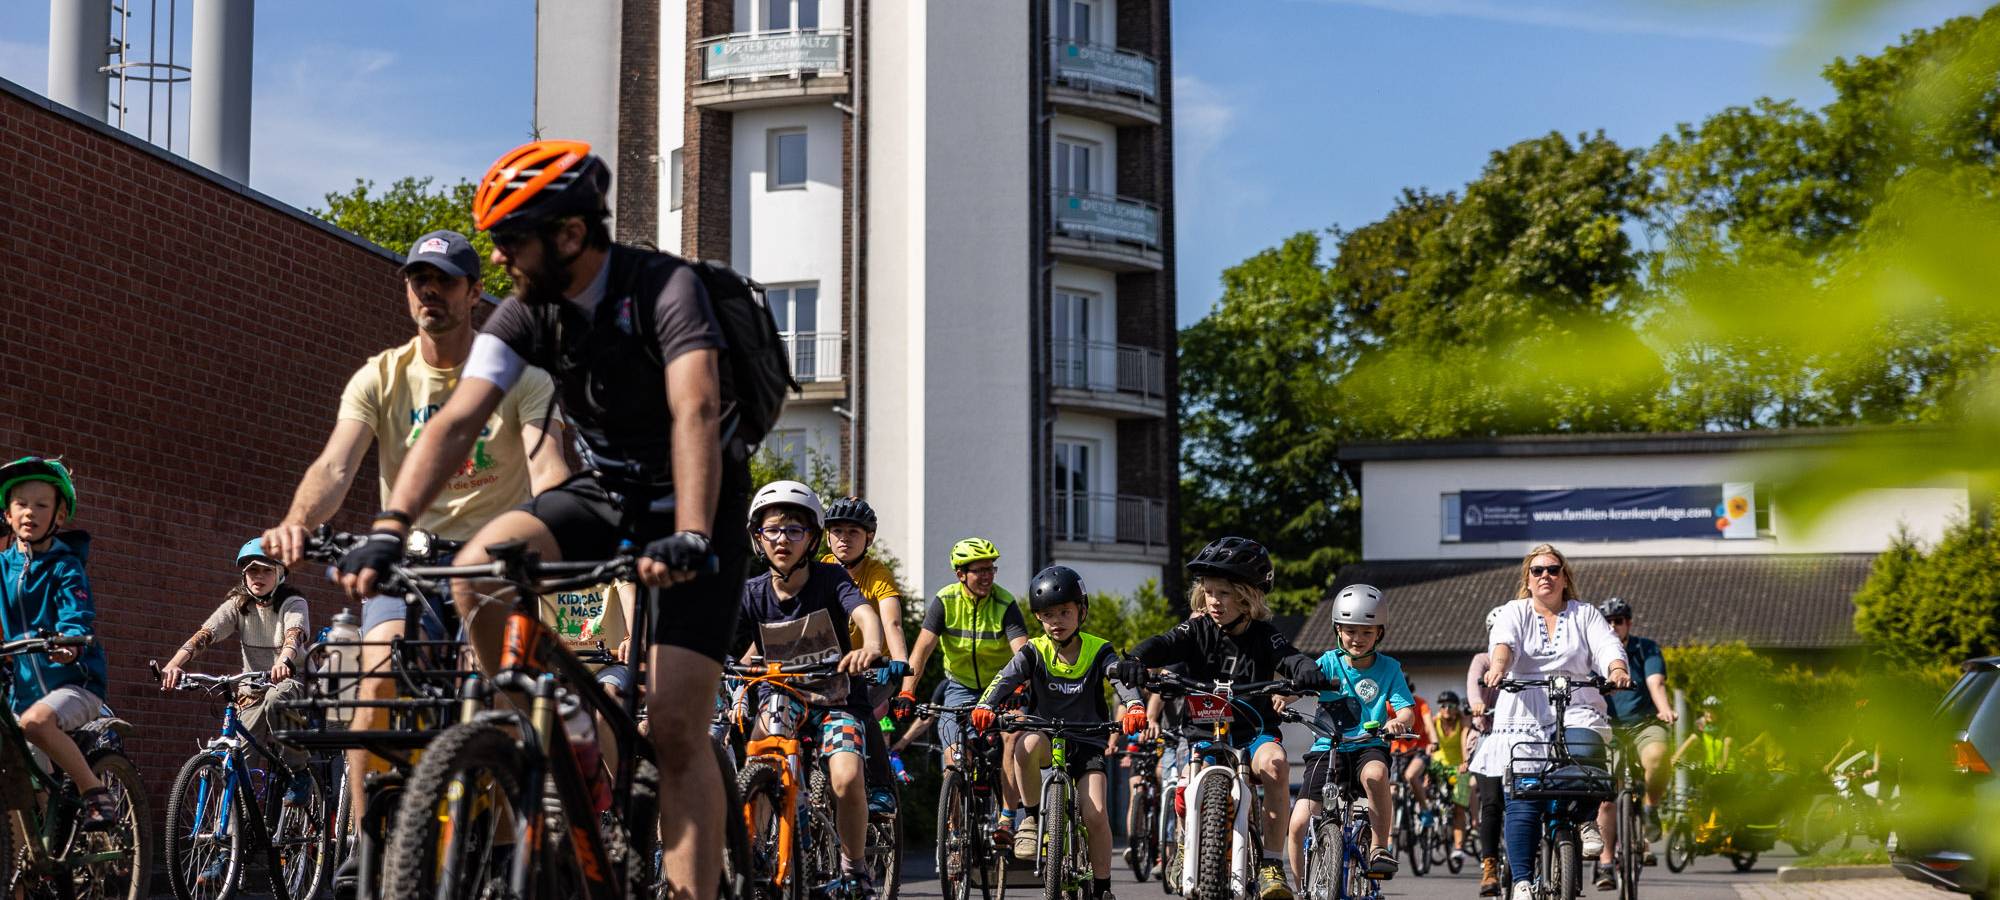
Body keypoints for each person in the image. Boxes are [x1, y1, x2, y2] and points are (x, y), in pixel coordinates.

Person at [337, 139, 752, 900]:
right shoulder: (528, 314)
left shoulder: (664, 289)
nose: (499, 262)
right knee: (477, 569)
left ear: (568, 235)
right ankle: (536, 728)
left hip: (701, 499)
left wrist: (690, 531)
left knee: (675, 731)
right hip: (610, 491)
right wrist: (392, 524)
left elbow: (693, 408)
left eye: (511, 241)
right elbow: (458, 420)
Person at [262, 228, 569, 892]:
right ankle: (367, 842)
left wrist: (552, 528)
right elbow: (336, 465)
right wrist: (297, 521)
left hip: (495, 565)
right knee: (373, 682)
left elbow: (549, 469)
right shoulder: (383, 374)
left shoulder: (521, 376)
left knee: (500, 694)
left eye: (444, 280)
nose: (428, 291)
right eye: (417, 279)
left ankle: (507, 852)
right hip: (407, 563)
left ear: (475, 291)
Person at [1118, 536, 1328, 900]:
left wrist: (1306, 670)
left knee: (1277, 765)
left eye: (1225, 594)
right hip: (1203, 734)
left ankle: (1271, 865)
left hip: (1254, 732)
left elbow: (1290, 657)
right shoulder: (1197, 629)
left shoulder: (1264, 636)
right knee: (1185, 783)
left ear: (1248, 596)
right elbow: (1163, 643)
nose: (1214, 601)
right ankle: (1185, 849)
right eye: (1209, 592)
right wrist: (1136, 659)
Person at [735, 481, 887, 899]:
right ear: (757, 537)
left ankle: (855, 870)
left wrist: (871, 646)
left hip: (836, 701)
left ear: (812, 538)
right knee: (762, 746)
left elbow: (863, 611)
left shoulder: (830, 577)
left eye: (794, 530)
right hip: (781, 695)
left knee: (847, 776)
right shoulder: (752, 593)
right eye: (772, 530)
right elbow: (729, 645)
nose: (782, 539)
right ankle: (753, 850)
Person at [971, 566, 1145, 900]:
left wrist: (1135, 705)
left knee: (1095, 814)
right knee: (1024, 744)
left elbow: (1119, 678)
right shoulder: (1034, 650)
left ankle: (1103, 887)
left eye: (1065, 612)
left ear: (1082, 610)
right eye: (1048, 615)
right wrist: (985, 705)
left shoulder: (1099, 649)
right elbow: (1005, 678)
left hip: (1088, 741)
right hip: (1047, 736)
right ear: (1038, 618)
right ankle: (1034, 819)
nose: (1057, 621)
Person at [1469, 545, 1631, 900]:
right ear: (1527, 579)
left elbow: (1606, 646)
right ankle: (1523, 881)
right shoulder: (1515, 611)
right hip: (1524, 708)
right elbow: (1504, 643)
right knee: (1524, 794)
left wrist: (1616, 669)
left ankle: (1586, 819)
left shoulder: (1585, 614)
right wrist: (1498, 668)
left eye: (1553, 570)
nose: (1546, 576)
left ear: (1564, 577)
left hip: (1577, 701)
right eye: (1538, 570)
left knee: (1586, 748)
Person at [159, 538, 315, 885]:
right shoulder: (238, 605)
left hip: (287, 683)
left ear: (279, 572)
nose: (256, 576)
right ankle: (228, 850)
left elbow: (295, 634)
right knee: (234, 766)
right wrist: (175, 663)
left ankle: (299, 771)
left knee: (280, 698)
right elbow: (206, 633)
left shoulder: (293, 601)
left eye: (263, 570)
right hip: (251, 691)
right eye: (250, 571)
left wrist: (284, 661)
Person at [0, 457, 117, 828]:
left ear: (60, 516)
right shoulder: (2, 566)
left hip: (74, 682)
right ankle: (34, 868)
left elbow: (75, 612)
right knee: (18, 773)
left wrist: (68, 642)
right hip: (23, 691)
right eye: (21, 504)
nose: (30, 512)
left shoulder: (66, 566)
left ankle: (94, 791)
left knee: (34, 725)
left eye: (41, 505)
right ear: (6, 514)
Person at [895, 537, 1030, 841]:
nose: (987, 576)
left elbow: (1022, 652)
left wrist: (1019, 687)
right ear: (960, 574)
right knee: (954, 758)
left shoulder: (1005, 603)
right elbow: (921, 651)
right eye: (979, 570)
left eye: (991, 569)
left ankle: (1007, 820)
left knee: (1013, 737)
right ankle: (955, 833)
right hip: (960, 687)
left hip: (1002, 686)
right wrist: (907, 692)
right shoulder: (945, 602)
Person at [1285, 583, 1414, 884]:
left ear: (1379, 633)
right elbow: (1301, 685)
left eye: (1367, 632)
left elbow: (1405, 709)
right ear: (1338, 630)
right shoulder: (1328, 662)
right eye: (1350, 631)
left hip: (1368, 744)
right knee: (1299, 822)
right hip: (1326, 747)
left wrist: (1400, 722)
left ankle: (1380, 847)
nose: (1358, 638)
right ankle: (1303, 886)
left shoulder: (1389, 668)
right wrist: (1284, 697)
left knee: (1375, 776)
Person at [821, 496, 907, 814]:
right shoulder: (821, 569)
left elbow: (892, 619)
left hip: (874, 670)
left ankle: (882, 788)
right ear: (827, 536)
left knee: (861, 710)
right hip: (828, 671)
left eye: (853, 532)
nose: (844, 538)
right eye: (838, 531)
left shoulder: (876, 572)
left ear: (868, 538)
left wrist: (898, 659)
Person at [1591, 596, 1676, 890]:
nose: (1613, 627)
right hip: (1608, 729)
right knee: (1606, 800)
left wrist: (1663, 708)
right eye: (1609, 622)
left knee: (1658, 755)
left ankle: (1651, 807)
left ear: (1628, 623)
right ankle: (1604, 863)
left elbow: (1655, 682)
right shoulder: (1595, 652)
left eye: (1619, 621)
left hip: (1644, 723)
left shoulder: (1645, 648)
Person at [1466, 605, 1506, 896]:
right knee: (1491, 803)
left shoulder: (1524, 662)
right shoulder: (1482, 660)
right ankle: (1490, 866)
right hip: (1488, 735)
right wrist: (1477, 702)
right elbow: (1472, 686)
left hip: (1522, 738)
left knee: (1525, 805)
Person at [1431, 690, 1473, 864]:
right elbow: (1430, 741)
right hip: (1439, 765)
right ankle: (1430, 829)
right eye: (1443, 705)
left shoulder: (1463, 722)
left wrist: (1465, 761)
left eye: (1451, 706)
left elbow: (1465, 741)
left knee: (1458, 807)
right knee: (1432, 794)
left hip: (1458, 766)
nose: (1447, 709)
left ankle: (1458, 847)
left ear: (1457, 709)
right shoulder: (1435, 721)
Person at [1389, 680, 1435, 813]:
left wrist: (1434, 742)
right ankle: (1390, 833)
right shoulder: (1389, 705)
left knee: (1411, 776)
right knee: (1391, 791)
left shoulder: (1421, 703)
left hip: (1419, 749)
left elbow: (1429, 725)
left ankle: (1425, 809)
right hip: (1398, 751)